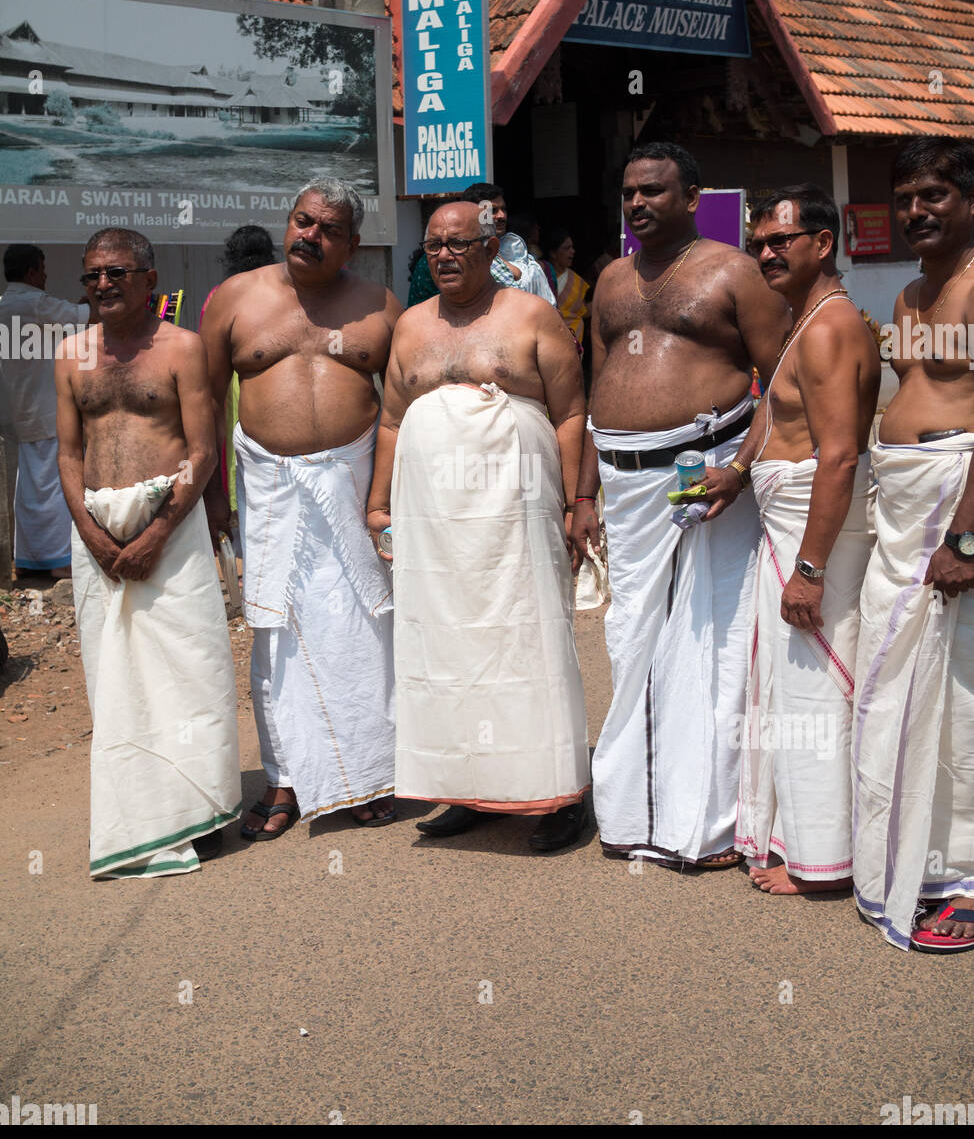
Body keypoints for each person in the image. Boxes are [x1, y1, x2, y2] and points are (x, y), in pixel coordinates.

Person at [572, 141, 790, 868]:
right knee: (632, 641)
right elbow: (595, 388)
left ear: (692, 197)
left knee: (710, 646)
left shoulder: (735, 273)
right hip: (623, 483)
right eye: (630, 191)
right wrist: (582, 494)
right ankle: (632, 812)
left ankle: (707, 823)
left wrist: (741, 468)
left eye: (654, 191)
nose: (638, 203)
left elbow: (783, 380)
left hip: (705, 479)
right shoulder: (608, 279)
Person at [366, 198, 590, 851]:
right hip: (435, 524)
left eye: (459, 244)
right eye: (434, 244)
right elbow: (391, 421)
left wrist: (577, 504)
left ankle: (558, 795)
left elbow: (572, 411)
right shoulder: (409, 327)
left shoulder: (531, 317)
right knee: (446, 648)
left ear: (493, 249)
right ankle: (466, 789)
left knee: (528, 644)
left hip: (517, 517)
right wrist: (379, 504)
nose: (444, 255)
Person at [201, 178, 400, 839]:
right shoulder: (236, 299)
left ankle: (366, 776)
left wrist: (384, 498)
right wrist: (213, 500)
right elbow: (202, 402)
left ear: (353, 242)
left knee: (360, 629)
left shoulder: (379, 306)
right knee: (276, 633)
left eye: (327, 229)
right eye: (302, 221)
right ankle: (285, 778)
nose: (309, 236)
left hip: (353, 490)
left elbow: (401, 410)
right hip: (266, 490)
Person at [55, 228, 240, 877]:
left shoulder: (182, 349)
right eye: (91, 276)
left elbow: (202, 450)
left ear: (150, 280)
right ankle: (139, 813)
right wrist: (95, 534)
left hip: (174, 532)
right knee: (117, 680)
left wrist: (157, 532)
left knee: (191, 669)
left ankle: (203, 809)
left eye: (116, 273)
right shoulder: (71, 355)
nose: (102, 285)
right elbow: (69, 455)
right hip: (98, 542)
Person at [720, 185, 880, 894]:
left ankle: (824, 860)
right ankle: (796, 838)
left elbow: (840, 454)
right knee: (787, 690)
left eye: (780, 240)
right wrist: (734, 472)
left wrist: (810, 569)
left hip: (814, 534)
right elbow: (772, 414)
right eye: (758, 242)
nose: (765, 252)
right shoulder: (802, 319)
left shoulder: (828, 326)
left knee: (815, 690)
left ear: (823, 241)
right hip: (788, 524)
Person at [853, 136, 974, 952]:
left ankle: (964, 874)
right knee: (896, 688)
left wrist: (967, 535)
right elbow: (909, 393)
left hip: (951, 511)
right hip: (901, 511)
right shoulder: (906, 298)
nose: (915, 212)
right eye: (904, 199)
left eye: (932, 195)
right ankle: (916, 858)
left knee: (960, 696)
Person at [0, 243, 90, 579]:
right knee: (55, 486)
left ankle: (27, 558)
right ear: (31, 271)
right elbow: (86, 318)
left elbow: (67, 318)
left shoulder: (5, 304)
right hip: (47, 409)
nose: (47, 275)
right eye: (43, 268)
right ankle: (58, 560)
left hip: (19, 412)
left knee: (28, 489)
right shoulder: (35, 303)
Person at [199, 225, 276, 514]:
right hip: (264, 379)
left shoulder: (219, 295)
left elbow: (207, 349)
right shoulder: (279, 293)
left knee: (229, 441)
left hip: (227, 380)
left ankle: (233, 506)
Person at [463, 184, 557, 305]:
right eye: (493, 211)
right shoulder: (465, 257)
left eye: (504, 209)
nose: (502, 216)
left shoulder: (517, 251)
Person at [543, 226, 590, 346]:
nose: (572, 251)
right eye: (567, 248)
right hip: (547, 339)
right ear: (553, 253)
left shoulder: (576, 281)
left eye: (572, 247)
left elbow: (582, 312)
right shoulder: (540, 276)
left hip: (573, 340)